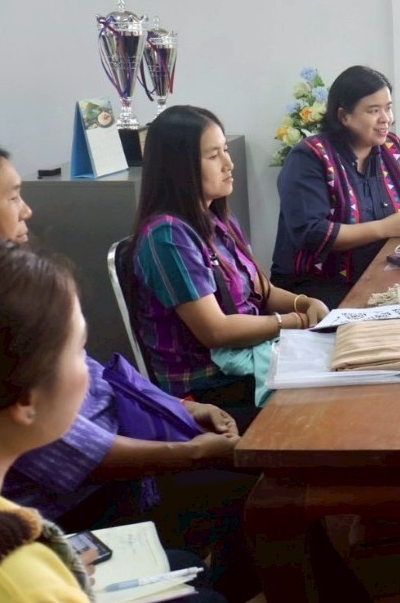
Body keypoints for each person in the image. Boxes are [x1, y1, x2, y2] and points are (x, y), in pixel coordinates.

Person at [0, 137, 257, 603]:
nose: (28, 210)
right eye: (13, 195)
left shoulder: (23, 291)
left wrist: (178, 409)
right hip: (85, 499)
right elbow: (84, 451)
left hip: (111, 476)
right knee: (252, 503)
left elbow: (104, 380)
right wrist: (196, 454)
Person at [133, 106, 328, 414]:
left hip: (248, 363)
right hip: (209, 388)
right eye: (214, 156)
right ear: (178, 168)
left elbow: (264, 292)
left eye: (225, 150)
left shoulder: (217, 218)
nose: (229, 163)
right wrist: (296, 322)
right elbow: (216, 331)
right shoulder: (167, 235)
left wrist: (304, 303)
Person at [272, 65, 400, 309]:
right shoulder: (309, 158)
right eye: (373, 111)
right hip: (316, 288)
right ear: (344, 116)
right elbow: (314, 232)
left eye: (388, 108)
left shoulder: (393, 149)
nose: (386, 119)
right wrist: (385, 227)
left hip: (379, 270)